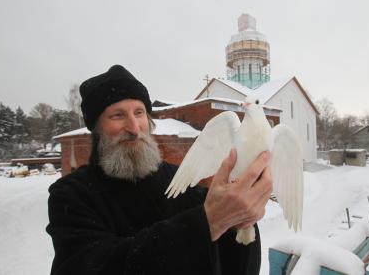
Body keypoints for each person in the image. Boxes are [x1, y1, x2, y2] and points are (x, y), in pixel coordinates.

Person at [46, 65, 273, 275]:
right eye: (117, 115)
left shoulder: (178, 182)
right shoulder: (71, 195)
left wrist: (238, 221)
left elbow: (232, 266)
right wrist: (207, 224)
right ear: (96, 128)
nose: (134, 128)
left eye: (139, 113)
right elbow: (91, 266)